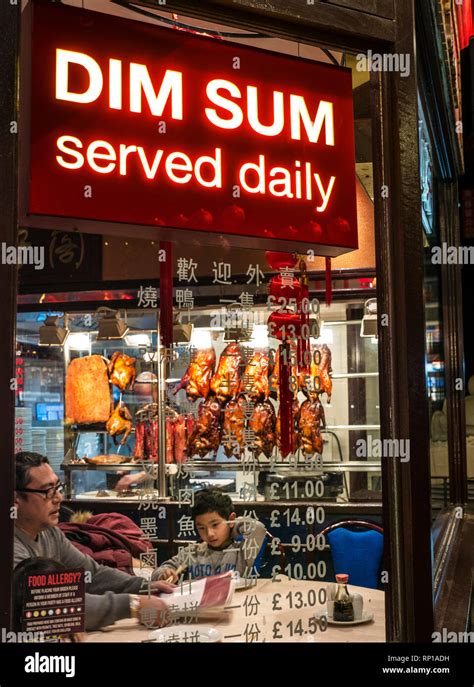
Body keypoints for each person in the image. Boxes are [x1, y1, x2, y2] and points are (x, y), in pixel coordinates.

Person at [14, 451, 173, 632]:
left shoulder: (50, 533)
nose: (59, 498)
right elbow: (52, 604)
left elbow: (90, 574)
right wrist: (133, 605)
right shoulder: (10, 547)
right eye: (47, 491)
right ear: (16, 499)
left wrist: (144, 587)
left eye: (58, 487)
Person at [152, 488, 267, 582]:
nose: (209, 534)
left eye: (215, 525)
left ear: (231, 520)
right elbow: (160, 570)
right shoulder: (194, 552)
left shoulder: (243, 551)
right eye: (201, 528)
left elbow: (258, 528)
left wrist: (231, 525)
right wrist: (164, 574)